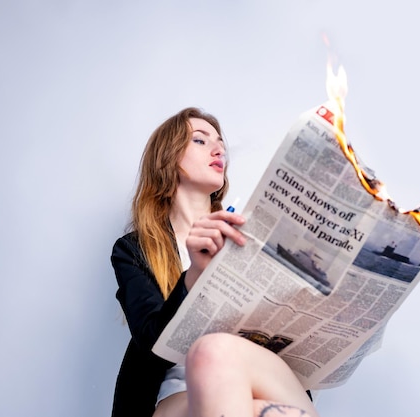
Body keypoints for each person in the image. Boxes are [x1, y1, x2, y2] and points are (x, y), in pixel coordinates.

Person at [111, 107, 319, 417]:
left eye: (220, 142)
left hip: (263, 376)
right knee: (264, 408)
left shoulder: (250, 235)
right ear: (168, 158)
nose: (218, 148)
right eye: (200, 140)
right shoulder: (135, 250)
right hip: (179, 395)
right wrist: (194, 274)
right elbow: (150, 344)